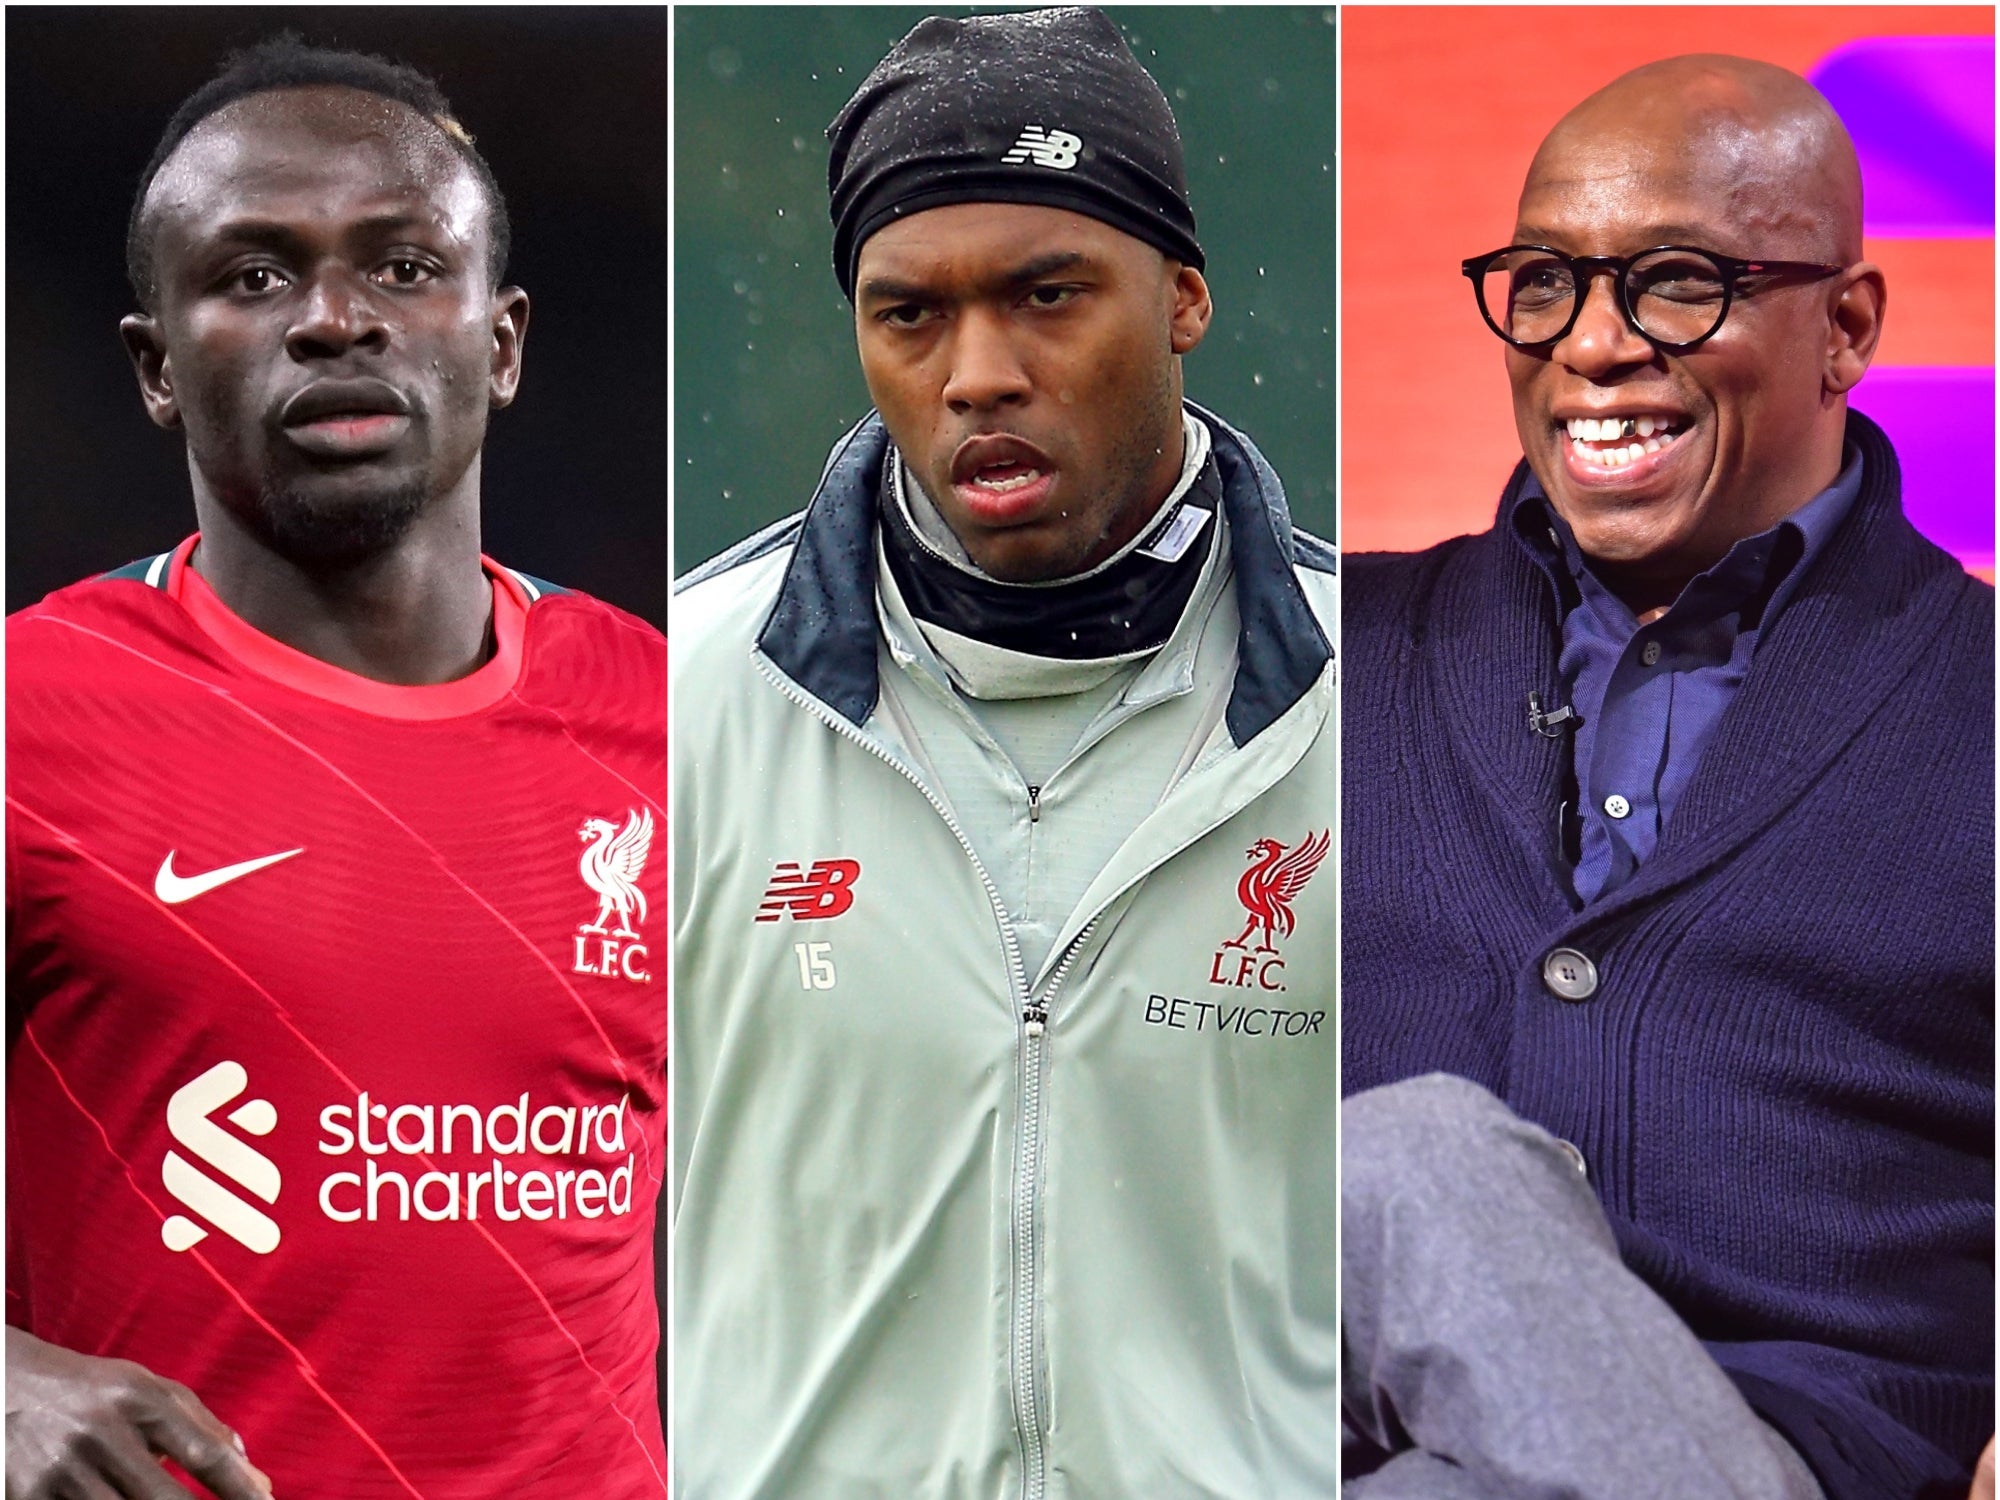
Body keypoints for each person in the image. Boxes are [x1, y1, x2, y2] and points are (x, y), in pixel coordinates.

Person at [671, 9, 1337, 1497]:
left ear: (1181, 298)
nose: (978, 372)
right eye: (910, 315)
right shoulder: (680, 705)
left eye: (1048, 295)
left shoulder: (1390, 710)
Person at [6, 40, 667, 1498]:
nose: (334, 321)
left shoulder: (684, 723)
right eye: (253, 278)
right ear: (155, 367)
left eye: (405, 266)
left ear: (500, 342)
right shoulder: (31, 718)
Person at [1340, 54, 1992, 1500]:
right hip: (1334, 1432)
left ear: (1847, 327)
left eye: (1677, 283)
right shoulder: (1320, 657)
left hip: (1805, 1451)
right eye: (1547, 284)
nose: (1593, 344)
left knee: (1410, 1168)